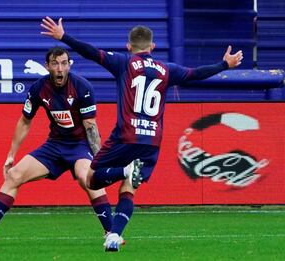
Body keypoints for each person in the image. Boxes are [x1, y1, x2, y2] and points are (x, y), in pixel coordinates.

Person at [41, 17, 244, 252]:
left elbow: (92, 53)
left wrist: (64, 37)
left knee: (91, 179)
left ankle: (125, 172)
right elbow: (196, 74)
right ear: (153, 47)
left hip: (125, 136)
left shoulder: (123, 62)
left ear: (129, 46)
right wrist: (224, 65)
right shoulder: (168, 70)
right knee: (129, 189)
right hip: (152, 141)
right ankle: (114, 235)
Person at [0, 46, 116, 246]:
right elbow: (25, 121)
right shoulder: (39, 88)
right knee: (14, 175)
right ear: (47, 66)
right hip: (54, 145)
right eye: (55, 64)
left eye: (64, 63)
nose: (60, 68)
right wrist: (11, 154)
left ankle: (112, 232)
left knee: (88, 179)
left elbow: (91, 127)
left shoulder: (83, 88)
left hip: (79, 146)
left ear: (69, 65)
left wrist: (99, 160)